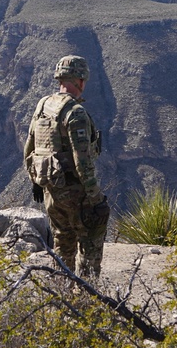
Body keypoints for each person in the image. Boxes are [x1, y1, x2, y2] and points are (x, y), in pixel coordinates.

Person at [24, 55, 109, 278]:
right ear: (81, 80)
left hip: (51, 190)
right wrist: (95, 197)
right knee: (90, 241)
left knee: (62, 243)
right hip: (76, 192)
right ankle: (86, 298)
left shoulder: (43, 105)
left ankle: (61, 292)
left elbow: (30, 146)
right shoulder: (75, 113)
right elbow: (82, 162)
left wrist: (35, 181)